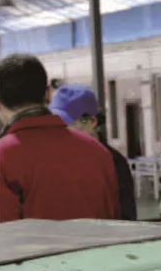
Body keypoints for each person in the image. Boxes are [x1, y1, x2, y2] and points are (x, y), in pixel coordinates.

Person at [0, 54, 120, 223]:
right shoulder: (99, 152)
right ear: (48, 94)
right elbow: (114, 220)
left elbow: (3, 231)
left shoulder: (2, 158)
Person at [50, 84, 137, 221]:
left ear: (91, 122)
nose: (59, 131)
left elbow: (126, 215)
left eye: (66, 124)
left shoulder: (113, 162)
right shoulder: (52, 158)